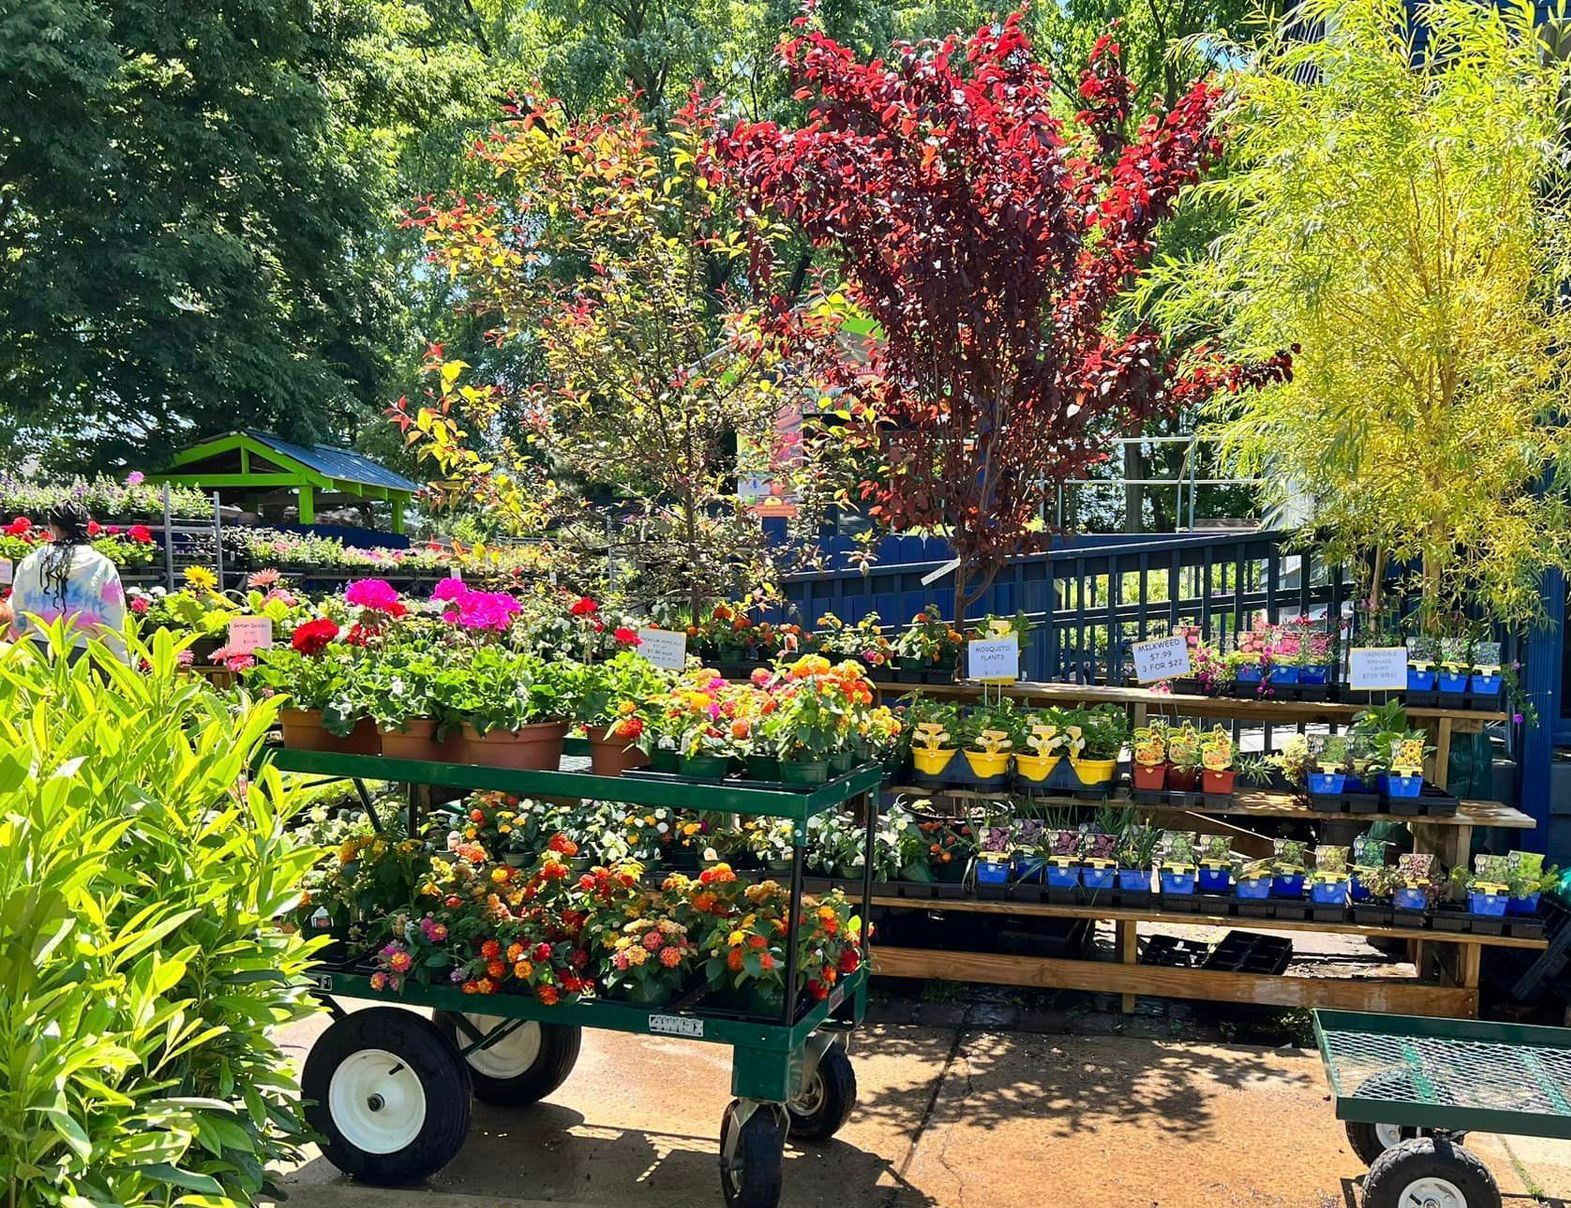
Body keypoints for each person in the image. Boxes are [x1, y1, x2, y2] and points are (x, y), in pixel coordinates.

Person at [7, 502, 127, 659]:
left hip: (35, 651)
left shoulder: (31, 562)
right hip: (85, 653)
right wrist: (122, 661)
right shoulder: (100, 565)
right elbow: (113, 618)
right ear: (85, 527)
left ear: (52, 527)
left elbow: (17, 612)